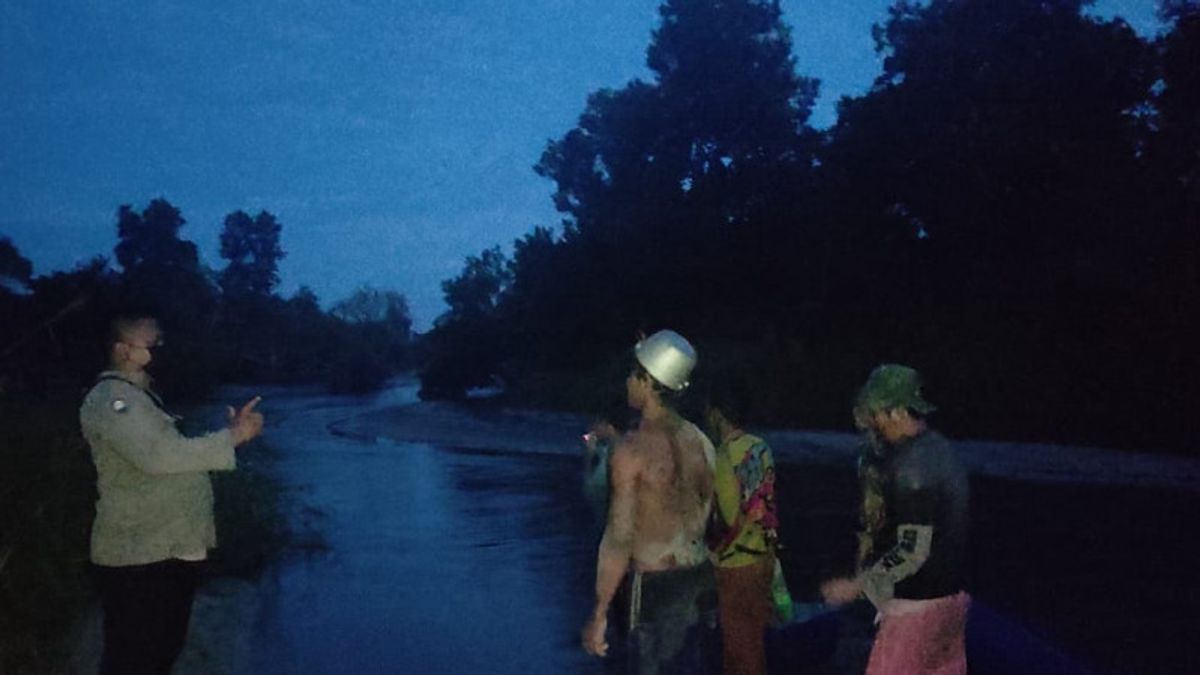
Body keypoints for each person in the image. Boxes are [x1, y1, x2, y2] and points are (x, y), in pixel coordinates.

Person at [80, 313, 264, 675]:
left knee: (162, 649)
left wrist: (228, 433)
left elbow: (167, 451)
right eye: (152, 344)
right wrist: (233, 437)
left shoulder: (140, 396)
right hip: (140, 554)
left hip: (165, 547)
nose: (161, 350)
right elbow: (158, 457)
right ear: (123, 350)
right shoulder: (114, 400)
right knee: (134, 657)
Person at [580, 329, 718, 674]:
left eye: (633, 374)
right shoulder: (701, 441)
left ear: (648, 381)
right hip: (699, 577)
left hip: (655, 587)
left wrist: (599, 613)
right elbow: (711, 513)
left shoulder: (631, 451)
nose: (628, 382)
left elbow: (618, 538)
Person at [821, 364, 970, 675]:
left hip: (916, 612)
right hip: (952, 606)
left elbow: (911, 551)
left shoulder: (912, 468)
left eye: (877, 413)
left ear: (897, 411)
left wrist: (856, 586)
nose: (874, 422)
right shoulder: (941, 449)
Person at [704, 378, 779, 675]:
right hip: (765, 556)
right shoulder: (761, 447)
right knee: (754, 642)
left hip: (736, 563)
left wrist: (713, 553)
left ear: (719, 415)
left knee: (738, 650)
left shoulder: (723, 456)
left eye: (709, 411)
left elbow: (730, 518)